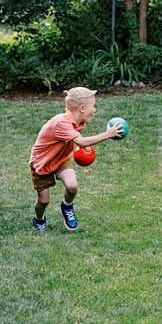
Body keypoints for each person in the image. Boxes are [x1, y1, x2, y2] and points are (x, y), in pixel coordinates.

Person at [29, 87, 122, 231]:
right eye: (93, 106)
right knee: (44, 201)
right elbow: (82, 141)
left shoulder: (78, 121)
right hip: (42, 163)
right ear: (82, 108)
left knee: (72, 186)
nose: (95, 110)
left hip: (61, 159)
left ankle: (67, 206)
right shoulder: (61, 123)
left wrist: (76, 149)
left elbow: (67, 140)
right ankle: (39, 219)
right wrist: (107, 134)